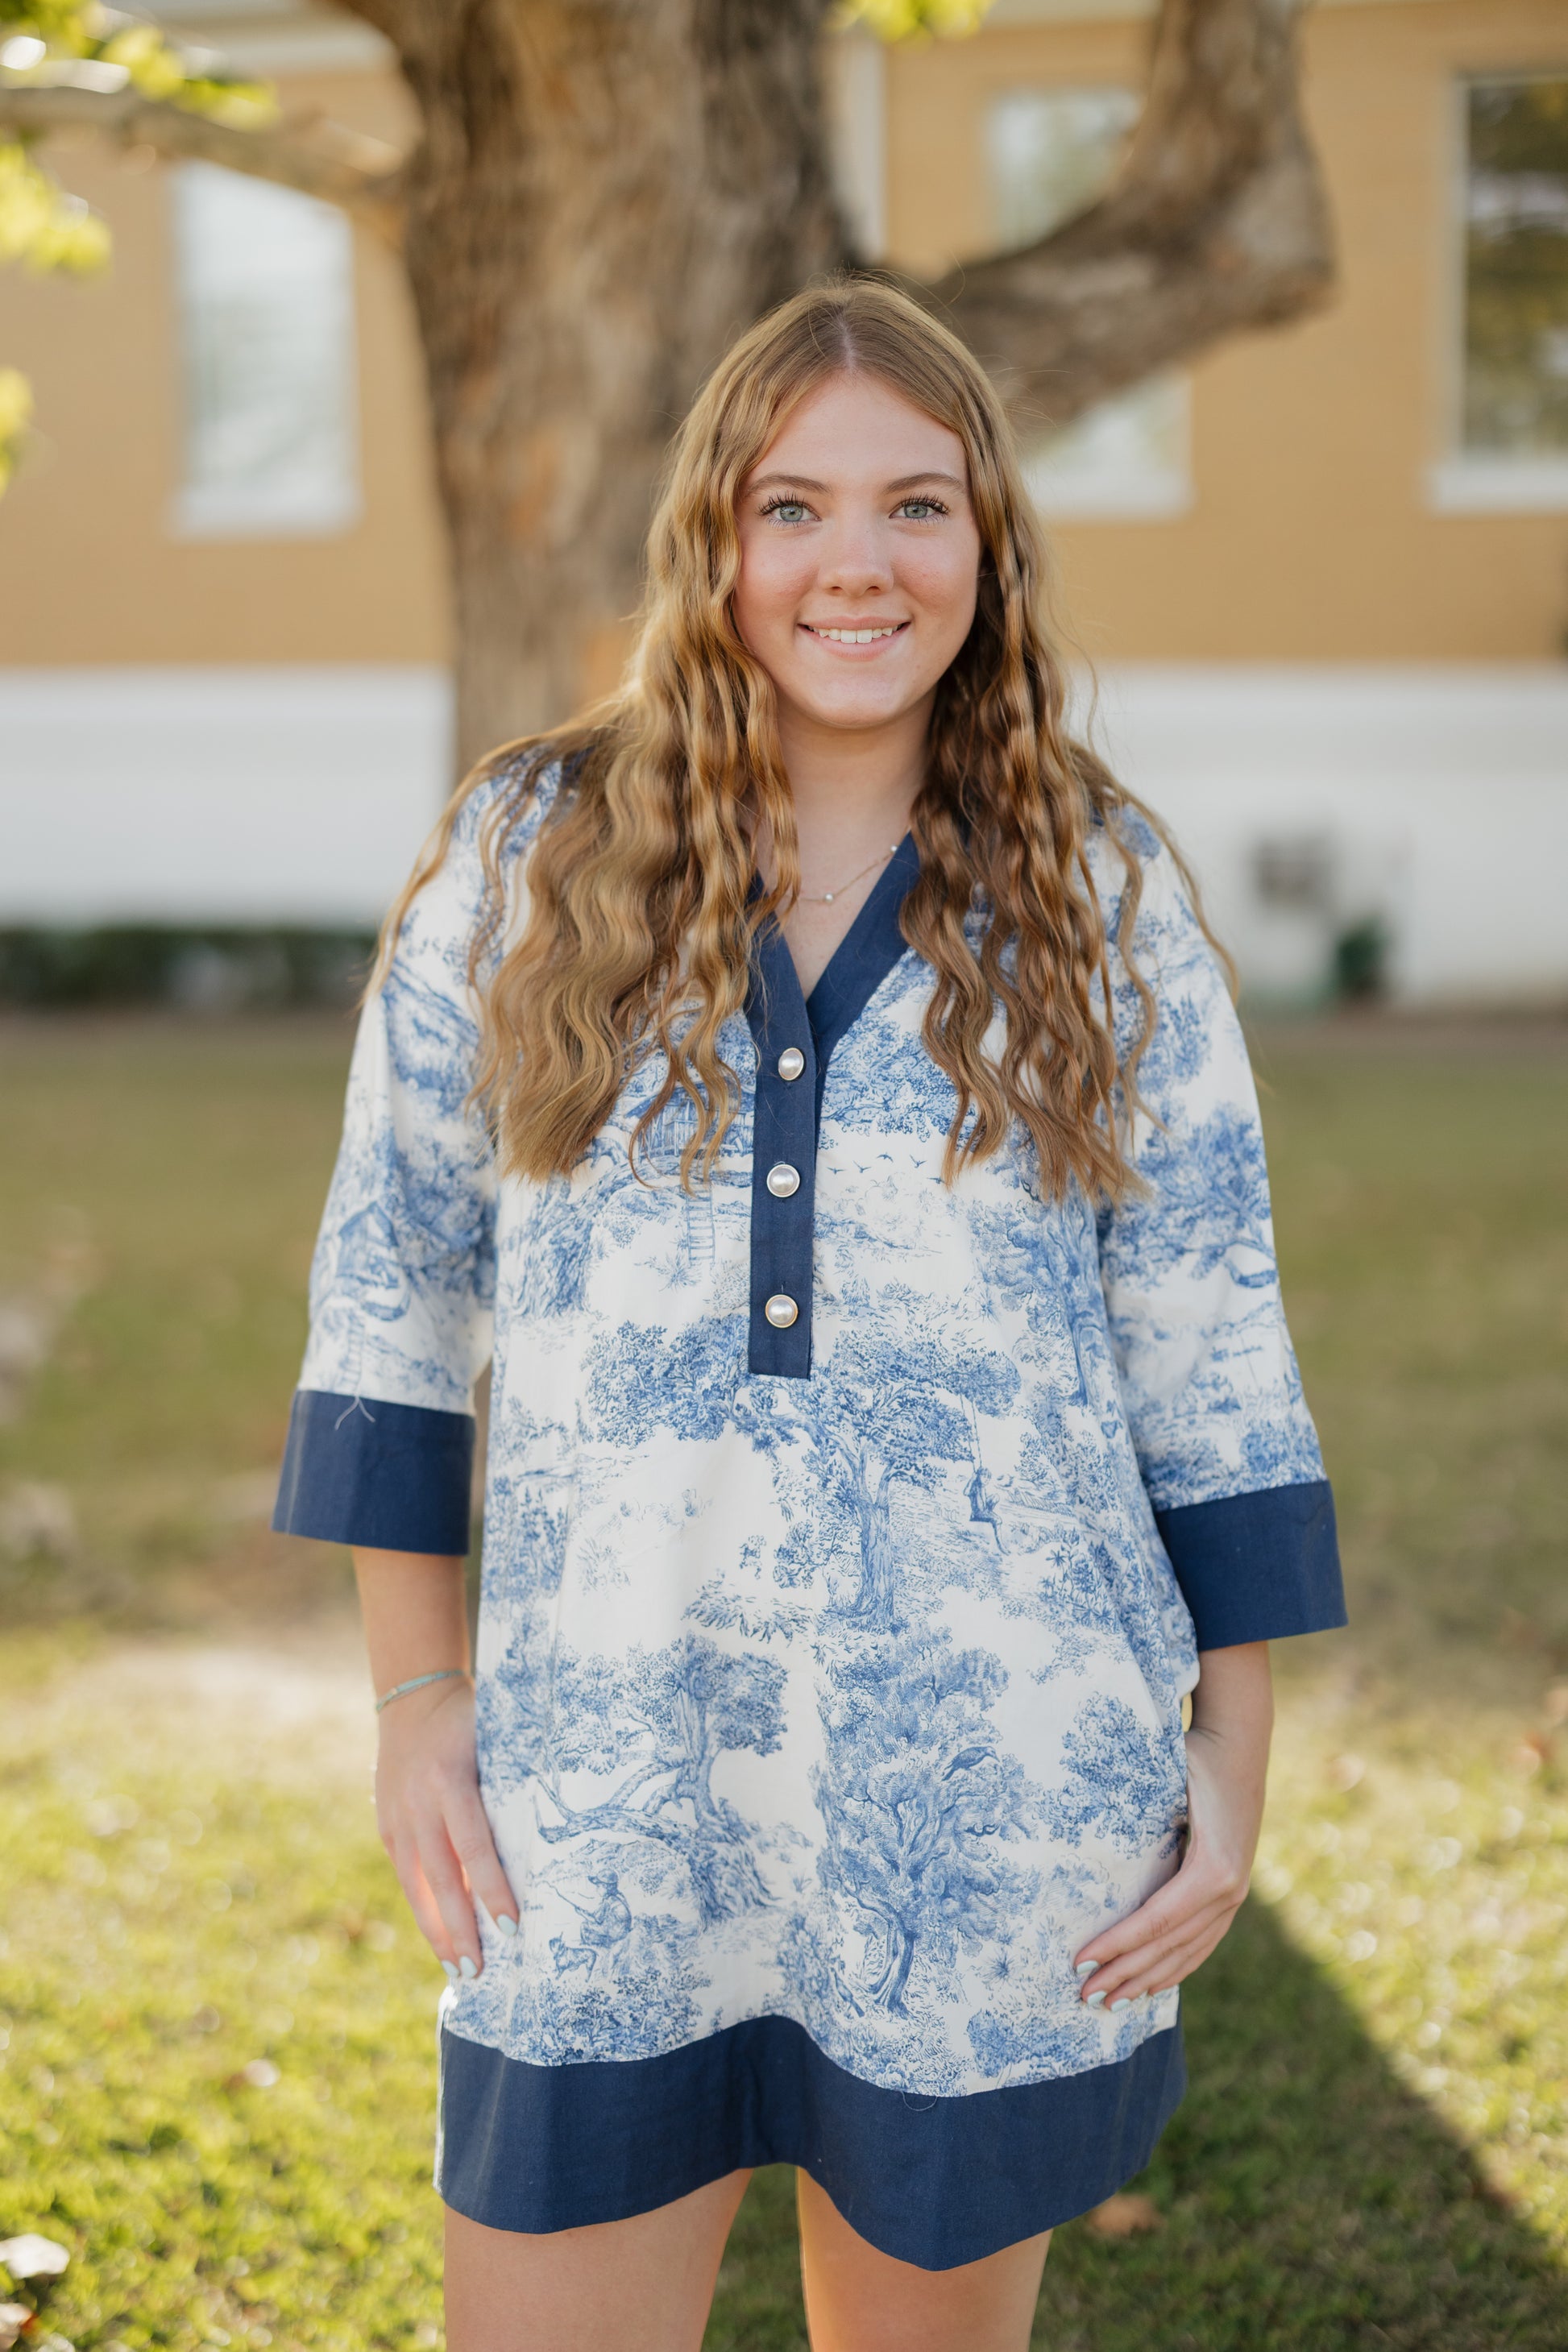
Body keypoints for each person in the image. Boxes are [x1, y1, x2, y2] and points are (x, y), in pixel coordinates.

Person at [272, 279, 1345, 2352]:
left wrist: (1235, 1744)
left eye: (917, 505)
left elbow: (1208, 1348)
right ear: (715, 545)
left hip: (1001, 1785)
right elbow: (391, 1294)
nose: (857, 561)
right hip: (598, 1778)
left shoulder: (1098, 894)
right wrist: (418, 1705)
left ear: (988, 546)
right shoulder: (524, 860)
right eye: (794, 507)